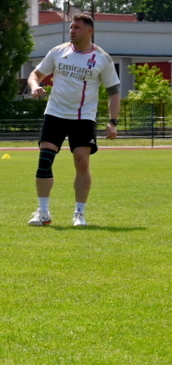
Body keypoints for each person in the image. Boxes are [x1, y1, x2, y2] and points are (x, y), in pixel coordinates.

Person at [25, 13, 120, 227]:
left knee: (82, 162)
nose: (72, 31)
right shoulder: (58, 52)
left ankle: (79, 213)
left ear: (89, 31)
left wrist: (113, 122)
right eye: (71, 27)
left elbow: (114, 92)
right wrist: (34, 86)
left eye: (76, 27)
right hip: (55, 114)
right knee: (44, 160)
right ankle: (43, 212)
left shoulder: (102, 58)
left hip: (82, 118)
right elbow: (35, 75)